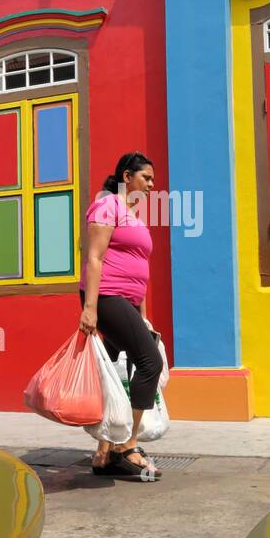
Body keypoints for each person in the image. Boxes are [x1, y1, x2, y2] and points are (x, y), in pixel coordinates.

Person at [79, 152, 164, 480]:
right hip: (106, 297)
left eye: (153, 180)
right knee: (150, 362)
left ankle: (103, 452)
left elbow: (139, 267)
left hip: (125, 301)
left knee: (113, 374)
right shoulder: (107, 206)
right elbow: (95, 258)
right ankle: (126, 445)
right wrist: (90, 307)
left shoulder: (133, 214)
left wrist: (141, 313)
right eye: (147, 178)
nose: (152, 185)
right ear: (127, 177)